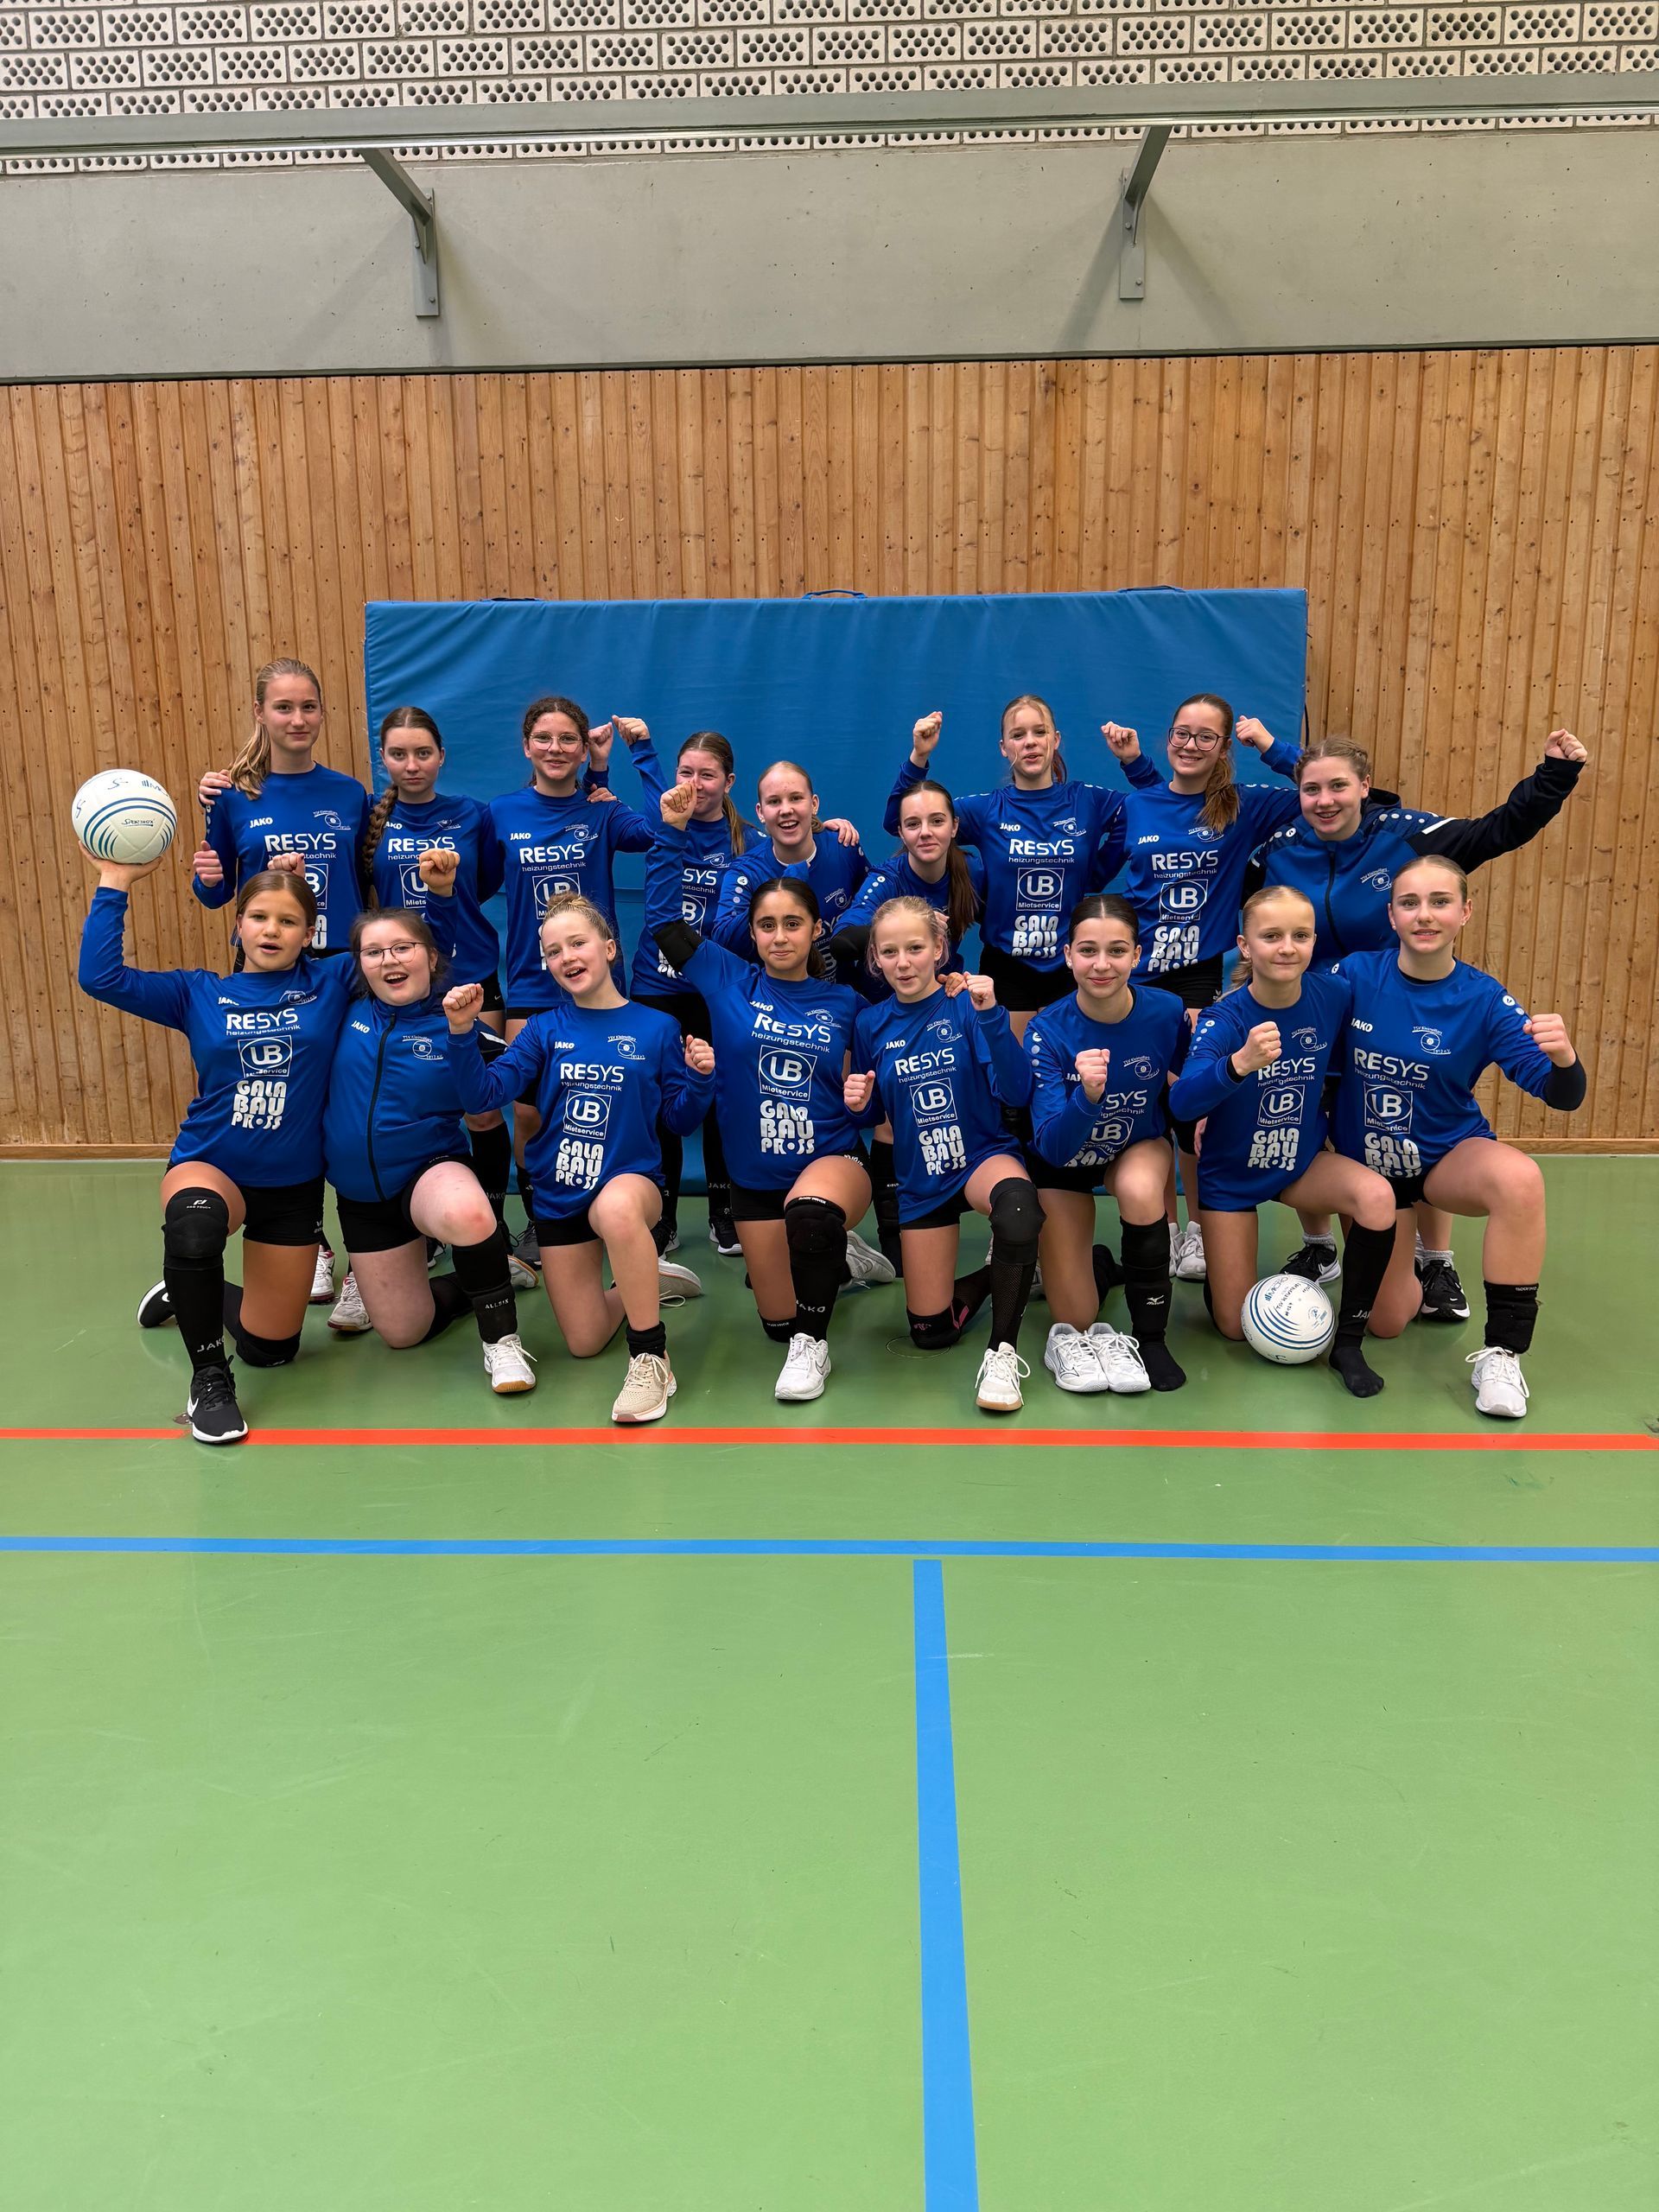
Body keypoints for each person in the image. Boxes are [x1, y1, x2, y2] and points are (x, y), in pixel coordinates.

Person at [78, 849, 446, 1444]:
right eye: (259, 917)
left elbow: (410, 953)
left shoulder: (331, 982)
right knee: (194, 1231)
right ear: (238, 926)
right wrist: (114, 881)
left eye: (288, 921)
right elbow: (101, 978)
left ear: (309, 934)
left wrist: (436, 894)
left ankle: (185, 1291)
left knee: (270, 1349)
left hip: (290, 1188)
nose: (272, 930)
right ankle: (209, 1380)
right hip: (212, 1162)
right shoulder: (198, 993)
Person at [1248, 728, 1589, 1317]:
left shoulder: (1404, 836)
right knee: (1316, 1121)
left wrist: (1554, 777)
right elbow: (1253, 925)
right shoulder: (1277, 849)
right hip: (1318, 1007)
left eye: (1339, 787)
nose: (1325, 800)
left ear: (1365, 787)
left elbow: (1497, 830)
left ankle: (1436, 1260)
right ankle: (1320, 1246)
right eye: (1311, 789)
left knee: (1419, 1111)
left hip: (1395, 999)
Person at [646, 785, 893, 1402]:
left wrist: (867, 1101)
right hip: (755, 1180)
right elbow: (664, 924)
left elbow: (881, 1092)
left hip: (831, 1162)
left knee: (809, 1227)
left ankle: (815, 1346)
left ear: (815, 929)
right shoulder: (726, 978)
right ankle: (841, 1260)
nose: (780, 936)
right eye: (766, 925)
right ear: (751, 934)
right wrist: (670, 834)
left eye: (792, 924)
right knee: (776, 1322)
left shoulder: (848, 1003)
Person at [1328, 855, 1586, 1420]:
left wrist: (1566, 1059)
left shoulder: (1484, 999)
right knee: (1388, 1322)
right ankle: (1423, 1263)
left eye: (1440, 902)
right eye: (1410, 903)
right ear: (1391, 916)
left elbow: (1561, 1095)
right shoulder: (1355, 976)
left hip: (1445, 1159)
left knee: (1519, 1179)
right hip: (1372, 1174)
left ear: (1465, 912)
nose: (1425, 915)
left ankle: (1503, 1354)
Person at [442, 893, 711, 1426]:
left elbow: (678, 1121)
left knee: (616, 1209)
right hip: (561, 1194)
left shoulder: (657, 1027)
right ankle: (644, 1279)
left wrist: (701, 1080)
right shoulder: (543, 1030)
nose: (566, 957)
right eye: (553, 951)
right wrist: (460, 1033)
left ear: (609, 948)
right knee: (584, 1342)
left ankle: (650, 1357)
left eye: (577, 943)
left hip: (631, 1185)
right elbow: (482, 1096)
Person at [1166, 885, 1400, 1399]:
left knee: (1377, 1196)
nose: (1287, 948)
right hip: (1231, 1178)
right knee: (1234, 1326)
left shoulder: (1333, 995)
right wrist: (1238, 1065)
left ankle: (1348, 1343)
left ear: (1314, 942)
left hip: (1300, 1162)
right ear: (1245, 946)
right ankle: (1227, 1278)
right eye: (1271, 936)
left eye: (1301, 935)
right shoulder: (1226, 1018)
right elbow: (1181, 1104)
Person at [1100, 696, 1303, 1286]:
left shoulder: (1242, 806)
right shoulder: (1137, 803)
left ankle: (1195, 1227)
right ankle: (1161, 1228)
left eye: (1206, 737)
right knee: (1146, 1104)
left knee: (1190, 1106)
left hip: (1195, 976)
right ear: (1168, 737)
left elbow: (1318, 789)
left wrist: (1272, 747)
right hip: (1137, 975)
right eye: (1182, 733)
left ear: (1224, 747)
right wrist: (1135, 765)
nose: (1191, 745)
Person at [192, 657, 372, 1306]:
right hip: (267, 972)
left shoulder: (351, 793)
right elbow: (215, 892)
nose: (298, 719)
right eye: (284, 707)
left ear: (322, 713)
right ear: (260, 714)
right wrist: (211, 879)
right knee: (285, 1108)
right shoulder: (232, 796)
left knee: (346, 1106)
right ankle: (313, 1244)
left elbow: (366, 883)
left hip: (339, 973)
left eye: (308, 707)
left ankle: (363, 1261)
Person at [320, 891, 536, 1395]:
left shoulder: (460, 1029)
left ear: (432, 957)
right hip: (361, 1197)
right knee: (404, 1333)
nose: (389, 960)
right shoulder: (340, 1013)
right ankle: (492, 1274)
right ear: (359, 965)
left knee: (469, 1214)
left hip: (428, 1173)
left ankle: (502, 1342)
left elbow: (510, 1086)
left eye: (403, 948)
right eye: (374, 952)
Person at [485, 699, 666, 1274]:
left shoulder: (602, 810)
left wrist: (641, 754)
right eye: (544, 738)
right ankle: (544, 1221)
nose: (556, 748)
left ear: (584, 749)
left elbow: (662, 828)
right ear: (526, 746)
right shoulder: (502, 812)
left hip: (598, 987)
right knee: (530, 1115)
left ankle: (622, 1217)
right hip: (532, 984)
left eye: (569, 739)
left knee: (611, 1104)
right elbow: (478, 883)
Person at [848, 898, 1042, 1414]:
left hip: (980, 1157)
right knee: (930, 1332)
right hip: (922, 1177)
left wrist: (993, 1016)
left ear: (939, 949)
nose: (903, 962)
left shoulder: (967, 1003)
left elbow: (1018, 1092)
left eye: (915, 948)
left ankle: (1002, 1354)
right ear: (876, 959)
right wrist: (860, 1105)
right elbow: (875, 1112)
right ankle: (1004, 1275)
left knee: (1018, 1208)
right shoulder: (870, 1024)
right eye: (890, 952)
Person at [356, 704, 525, 1288]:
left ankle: (490, 1226)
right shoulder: (369, 820)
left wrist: (447, 890)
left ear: (442, 757)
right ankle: (422, 1227)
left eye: (423, 753)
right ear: (384, 758)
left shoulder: (472, 815)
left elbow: (483, 888)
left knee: (481, 1107)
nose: (412, 765)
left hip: (470, 974)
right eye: (399, 754)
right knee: (413, 1102)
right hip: (401, 982)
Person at [882, 700, 1161, 1038]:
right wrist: (919, 757)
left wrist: (1133, 761)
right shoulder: (987, 809)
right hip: (1007, 966)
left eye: (1039, 732)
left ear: (1055, 740)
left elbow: (1160, 806)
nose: (1030, 742)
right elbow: (898, 822)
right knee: (1009, 1067)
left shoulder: (1086, 801)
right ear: (1004, 747)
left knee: (1072, 1065)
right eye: (1018, 735)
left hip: (1069, 964)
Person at [1024, 896, 1191, 1394]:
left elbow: (1191, 1082)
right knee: (1077, 1319)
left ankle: (1151, 1339)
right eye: (1088, 950)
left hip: (1134, 1145)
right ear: (1068, 955)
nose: (1102, 965)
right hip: (1064, 1163)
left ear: (1137, 955)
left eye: (1117, 951)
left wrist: (1205, 1113)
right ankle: (1097, 1263)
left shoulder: (1166, 1011)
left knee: (1140, 1189)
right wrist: (1088, 1098)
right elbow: (1053, 1149)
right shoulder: (1046, 1031)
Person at [824, 776, 985, 1269]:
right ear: (900, 830)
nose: (925, 832)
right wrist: (901, 935)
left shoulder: (972, 872)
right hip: (880, 1004)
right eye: (912, 823)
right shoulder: (888, 878)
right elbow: (844, 939)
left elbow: (1002, 931)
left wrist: (958, 977)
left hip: (934, 997)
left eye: (936, 821)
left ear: (955, 826)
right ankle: (890, 1232)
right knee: (889, 1118)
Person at [630, 730, 752, 1261]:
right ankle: (664, 1216)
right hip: (656, 987)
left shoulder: (748, 842)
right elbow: (647, 796)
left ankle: (725, 1210)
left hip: (715, 990)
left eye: (707, 775)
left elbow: (795, 841)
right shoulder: (662, 824)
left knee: (722, 1096)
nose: (695, 784)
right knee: (661, 1102)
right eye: (686, 773)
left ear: (729, 782)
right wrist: (638, 753)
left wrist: (830, 827)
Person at [709, 759, 868, 954]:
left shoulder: (843, 846)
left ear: (814, 804)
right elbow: (725, 941)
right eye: (774, 801)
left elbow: (875, 905)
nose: (786, 810)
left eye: (796, 798)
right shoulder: (745, 872)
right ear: (760, 812)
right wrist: (784, 888)